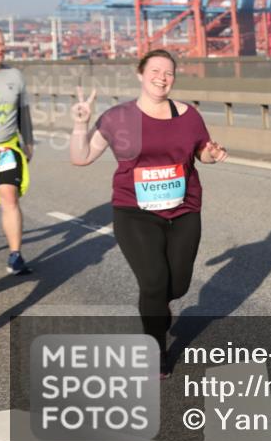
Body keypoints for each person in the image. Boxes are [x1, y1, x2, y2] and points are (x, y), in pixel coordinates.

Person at [69, 49, 227, 375]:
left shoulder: (189, 116)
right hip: (134, 212)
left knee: (177, 286)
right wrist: (79, 124)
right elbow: (81, 158)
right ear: (140, 74)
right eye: (155, 70)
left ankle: (156, 307)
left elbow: (203, 154)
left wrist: (213, 154)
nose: (162, 77)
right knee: (154, 282)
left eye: (168, 72)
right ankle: (155, 352)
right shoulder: (118, 118)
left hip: (184, 210)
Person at [0, 26, 35, 275]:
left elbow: (23, 113)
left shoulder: (15, 76)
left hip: (7, 147)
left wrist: (28, 144)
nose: (0, 47)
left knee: (9, 196)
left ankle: (15, 255)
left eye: (2, 43)